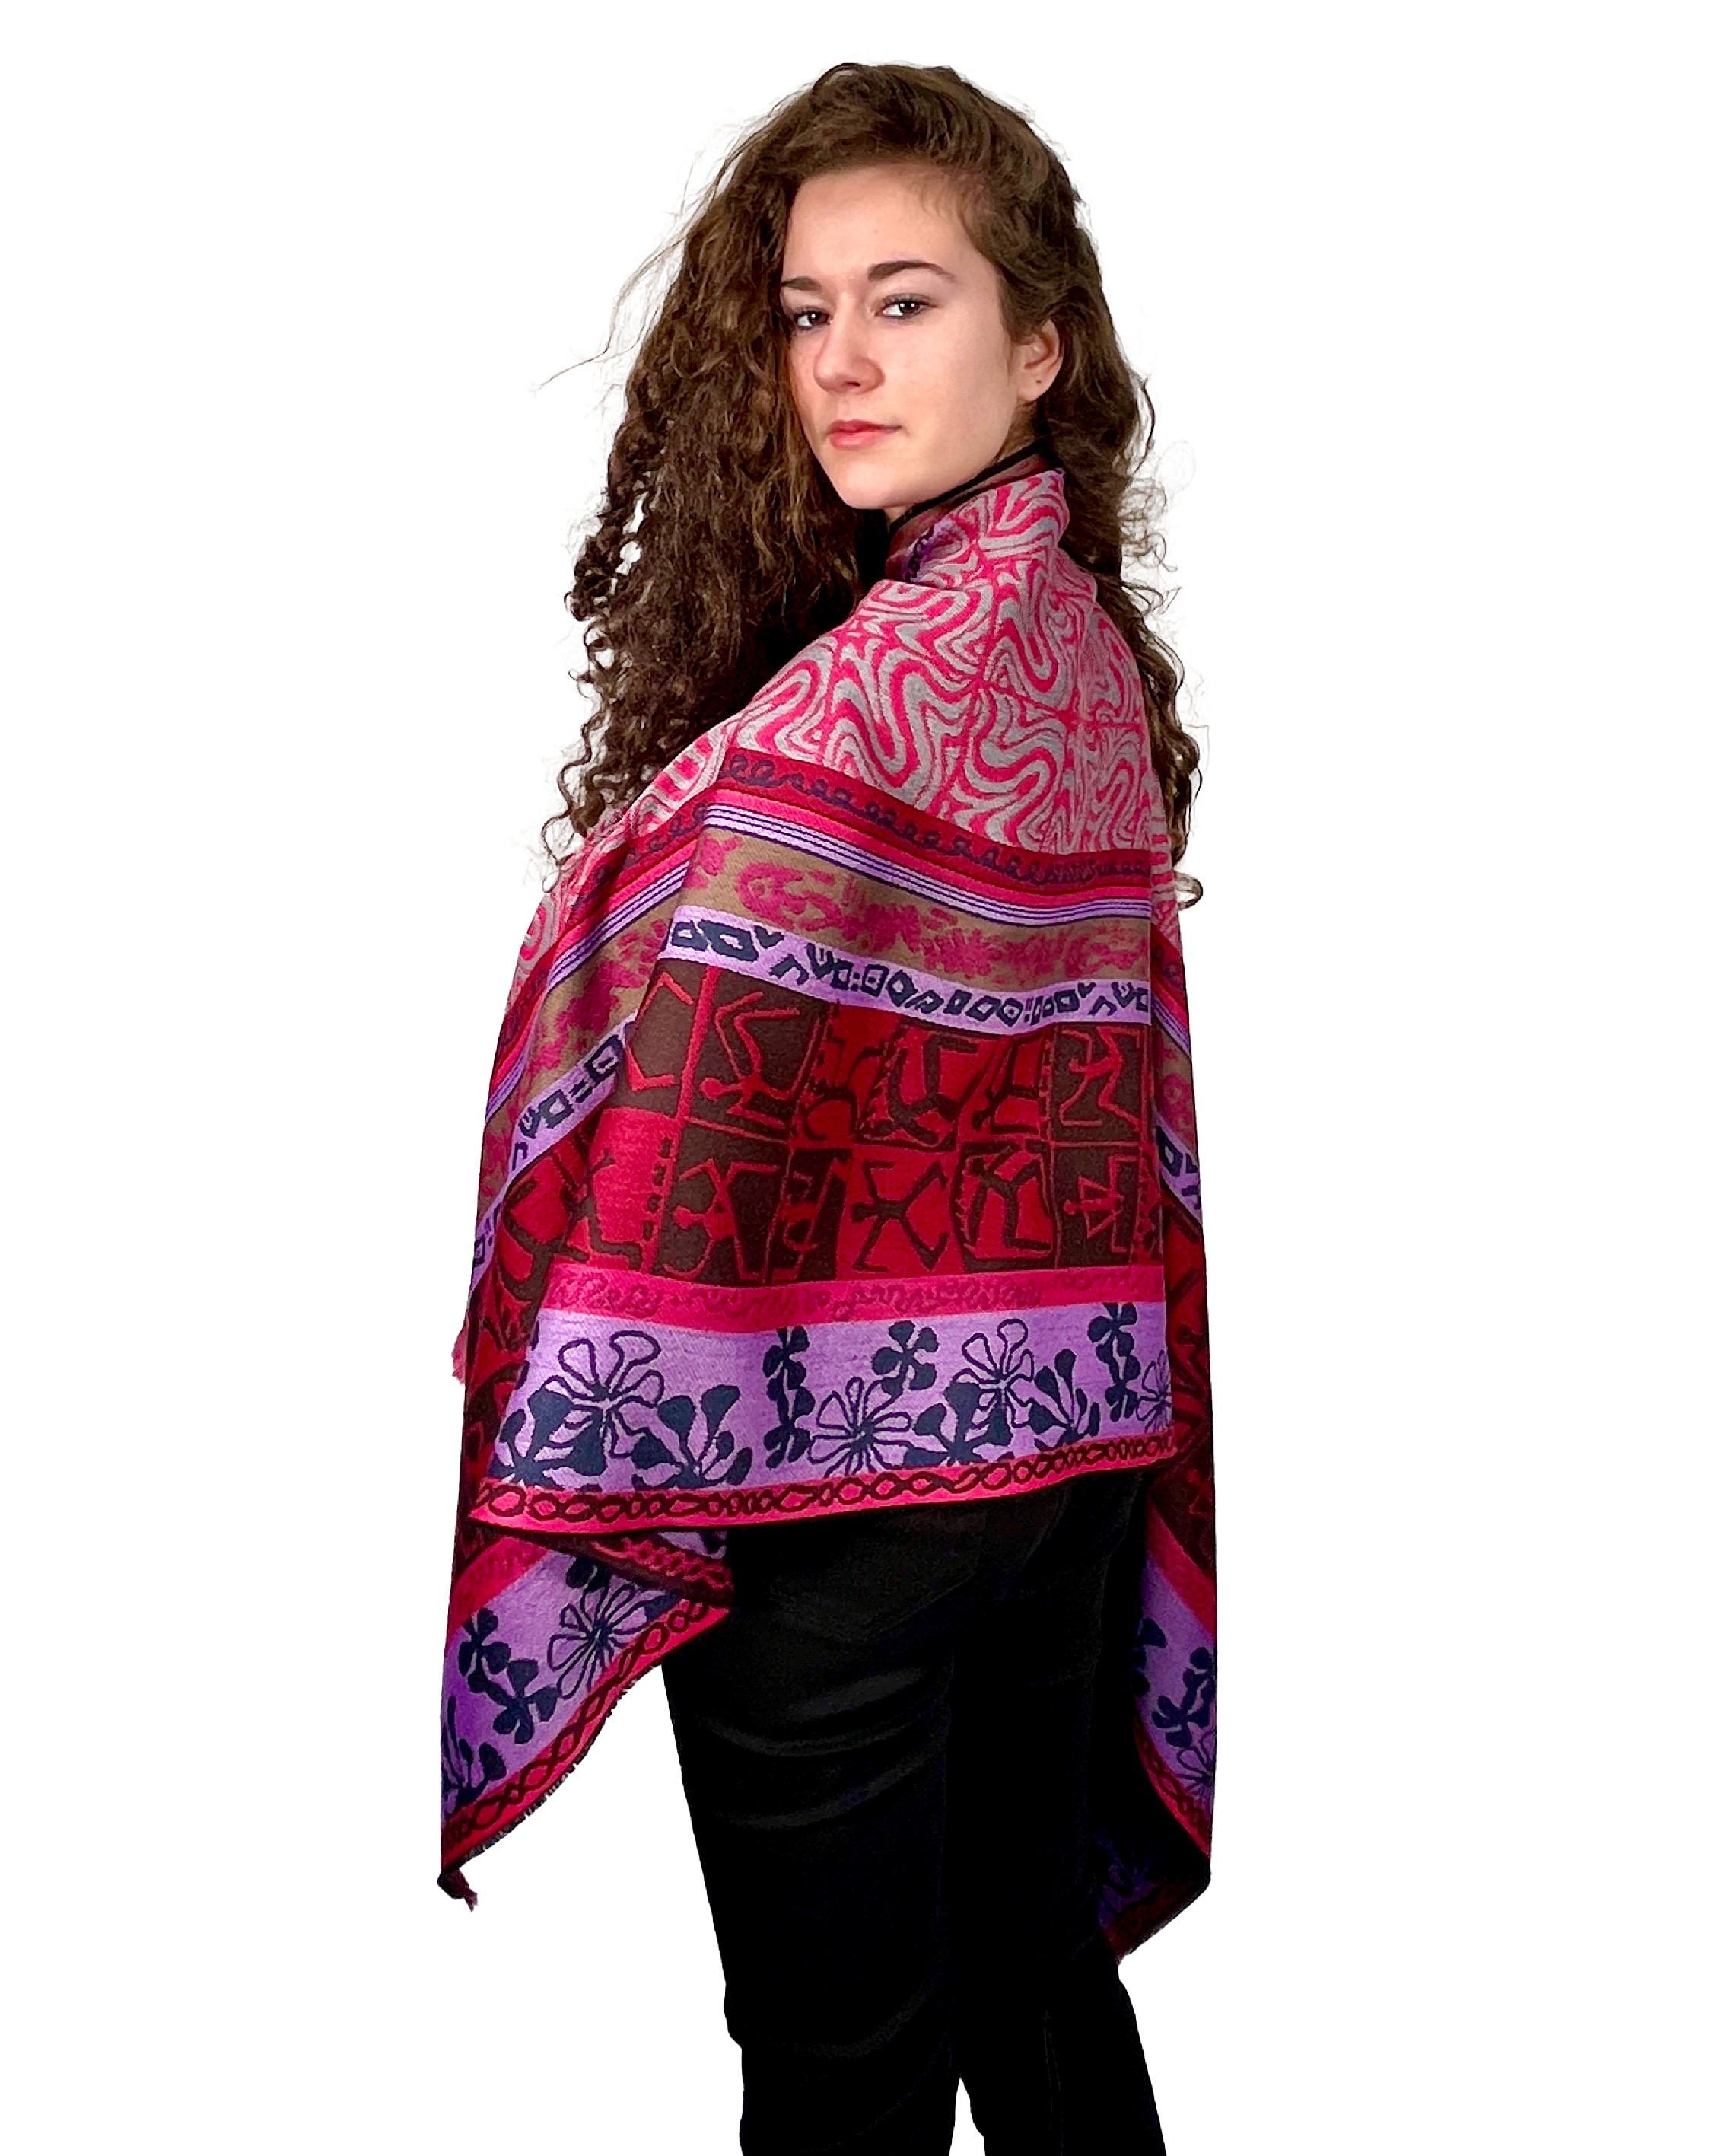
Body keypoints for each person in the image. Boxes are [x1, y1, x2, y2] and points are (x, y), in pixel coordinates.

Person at [439, 61, 1215, 2156]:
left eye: (906, 301)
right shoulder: (1064, 639)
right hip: (1066, 1445)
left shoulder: (866, 694)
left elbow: (632, 994)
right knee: (1033, 1992)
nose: (842, 363)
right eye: (805, 312)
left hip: (836, 1501)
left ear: (1037, 346)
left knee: (838, 2067)